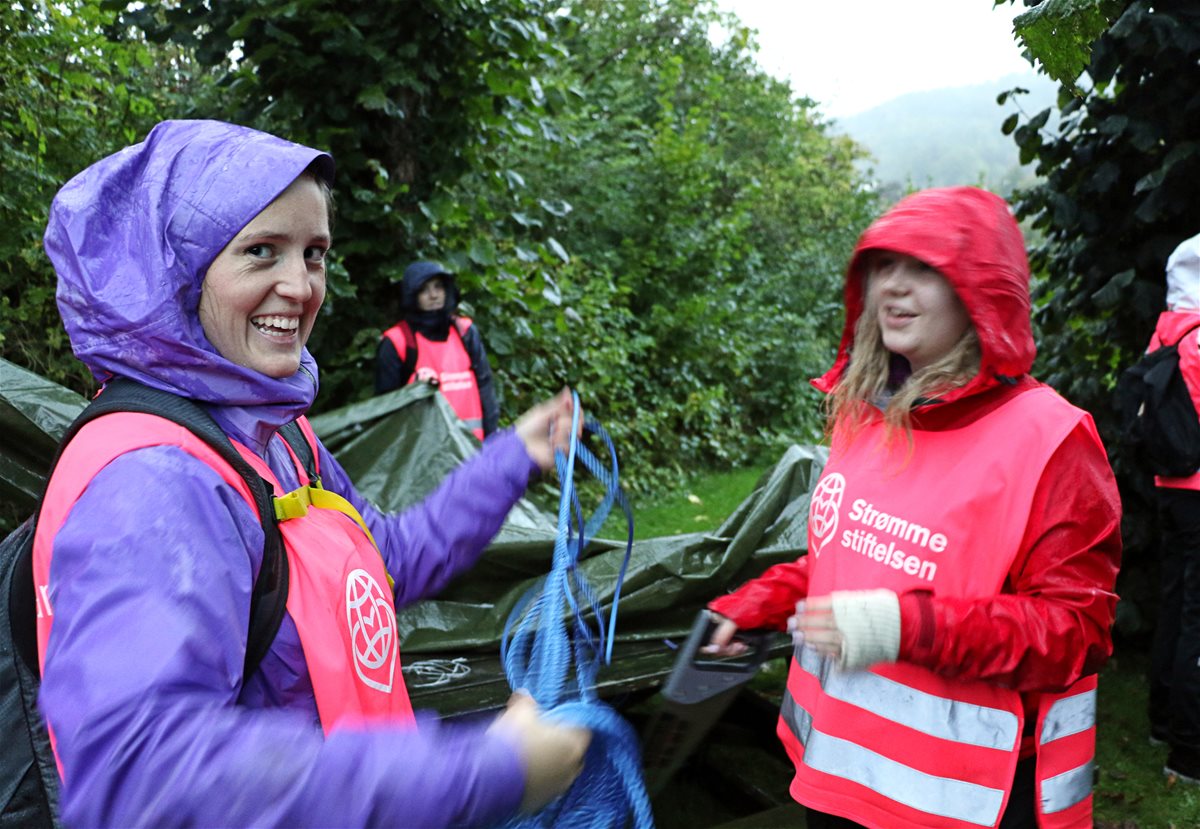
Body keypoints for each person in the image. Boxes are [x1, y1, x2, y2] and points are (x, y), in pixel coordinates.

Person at [33, 119, 589, 829]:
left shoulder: (273, 436)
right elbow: (141, 771)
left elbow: (384, 561)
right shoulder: (155, 479)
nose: (299, 287)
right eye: (261, 251)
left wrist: (515, 455)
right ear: (177, 271)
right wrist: (485, 771)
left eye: (315, 254)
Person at [703, 187, 1122, 829]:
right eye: (883, 266)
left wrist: (907, 628)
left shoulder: (1052, 440)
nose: (893, 288)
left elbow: (1075, 633)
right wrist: (760, 603)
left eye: (924, 268)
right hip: (837, 776)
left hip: (963, 802)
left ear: (980, 291)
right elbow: (847, 564)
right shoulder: (865, 411)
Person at [1144, 231, 1200, 784]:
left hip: (1170, 484)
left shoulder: (1167, 333)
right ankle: (1189, 753)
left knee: (1175, 601)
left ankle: (1162, 721)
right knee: (1196, 621)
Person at [375, 261, 499, 440]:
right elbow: (385, 408)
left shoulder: (465, 332)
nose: (433, 295)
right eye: (424, 290)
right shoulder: (397, 341)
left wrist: (491, 440)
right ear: (412, 296)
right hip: (423, 452)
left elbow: (485, 387)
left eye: (438, 287)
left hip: (471, 449)